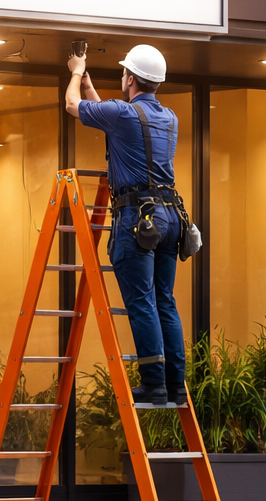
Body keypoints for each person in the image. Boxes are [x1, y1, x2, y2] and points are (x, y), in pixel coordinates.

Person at [65, 43, 187, 407]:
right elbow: (113, 119)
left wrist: (75, 71)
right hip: (169, 217)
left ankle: (153, 384)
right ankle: (175, 385)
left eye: (123, 73)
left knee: (142, 301)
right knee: (165, 300)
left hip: (137, 219)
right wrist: (90, 83)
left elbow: (73, 106)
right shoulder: (168, 117)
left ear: (130, 78)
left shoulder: (122, 115)